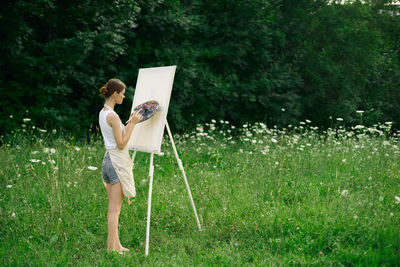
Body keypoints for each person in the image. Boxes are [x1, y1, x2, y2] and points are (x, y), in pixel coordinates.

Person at [98, 78, 143, 254]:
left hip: (108, 161)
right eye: (122, 94)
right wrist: (132, 124)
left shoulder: (104, 112)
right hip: (116, 164)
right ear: (115, 94)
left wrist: (128, 124)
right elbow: (122, 144)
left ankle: (117, 245)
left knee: (113, 209)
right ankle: (111, 249)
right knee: (114, 211)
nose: (124, 97)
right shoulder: (113, 116)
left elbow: (116, 137)